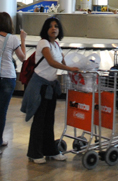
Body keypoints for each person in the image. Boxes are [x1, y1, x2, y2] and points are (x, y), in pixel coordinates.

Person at [21, 17, 79, 164]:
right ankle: (34, 153)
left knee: (49, 120)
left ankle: (50, 151)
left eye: (56, 26)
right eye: (51, 26)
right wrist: (69, 69)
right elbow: (52, 62)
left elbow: (63, 60)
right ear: (45, 29)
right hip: (40, 87)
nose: (54, 29)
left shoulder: (56, 45)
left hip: (51, 87)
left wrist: (76, 68)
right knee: (39, 120)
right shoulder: (43, 43)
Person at [0, 12, 27, 157]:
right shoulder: (12, 39)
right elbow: (23, 57)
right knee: (2, 113)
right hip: (8, 77)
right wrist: (23, 40)